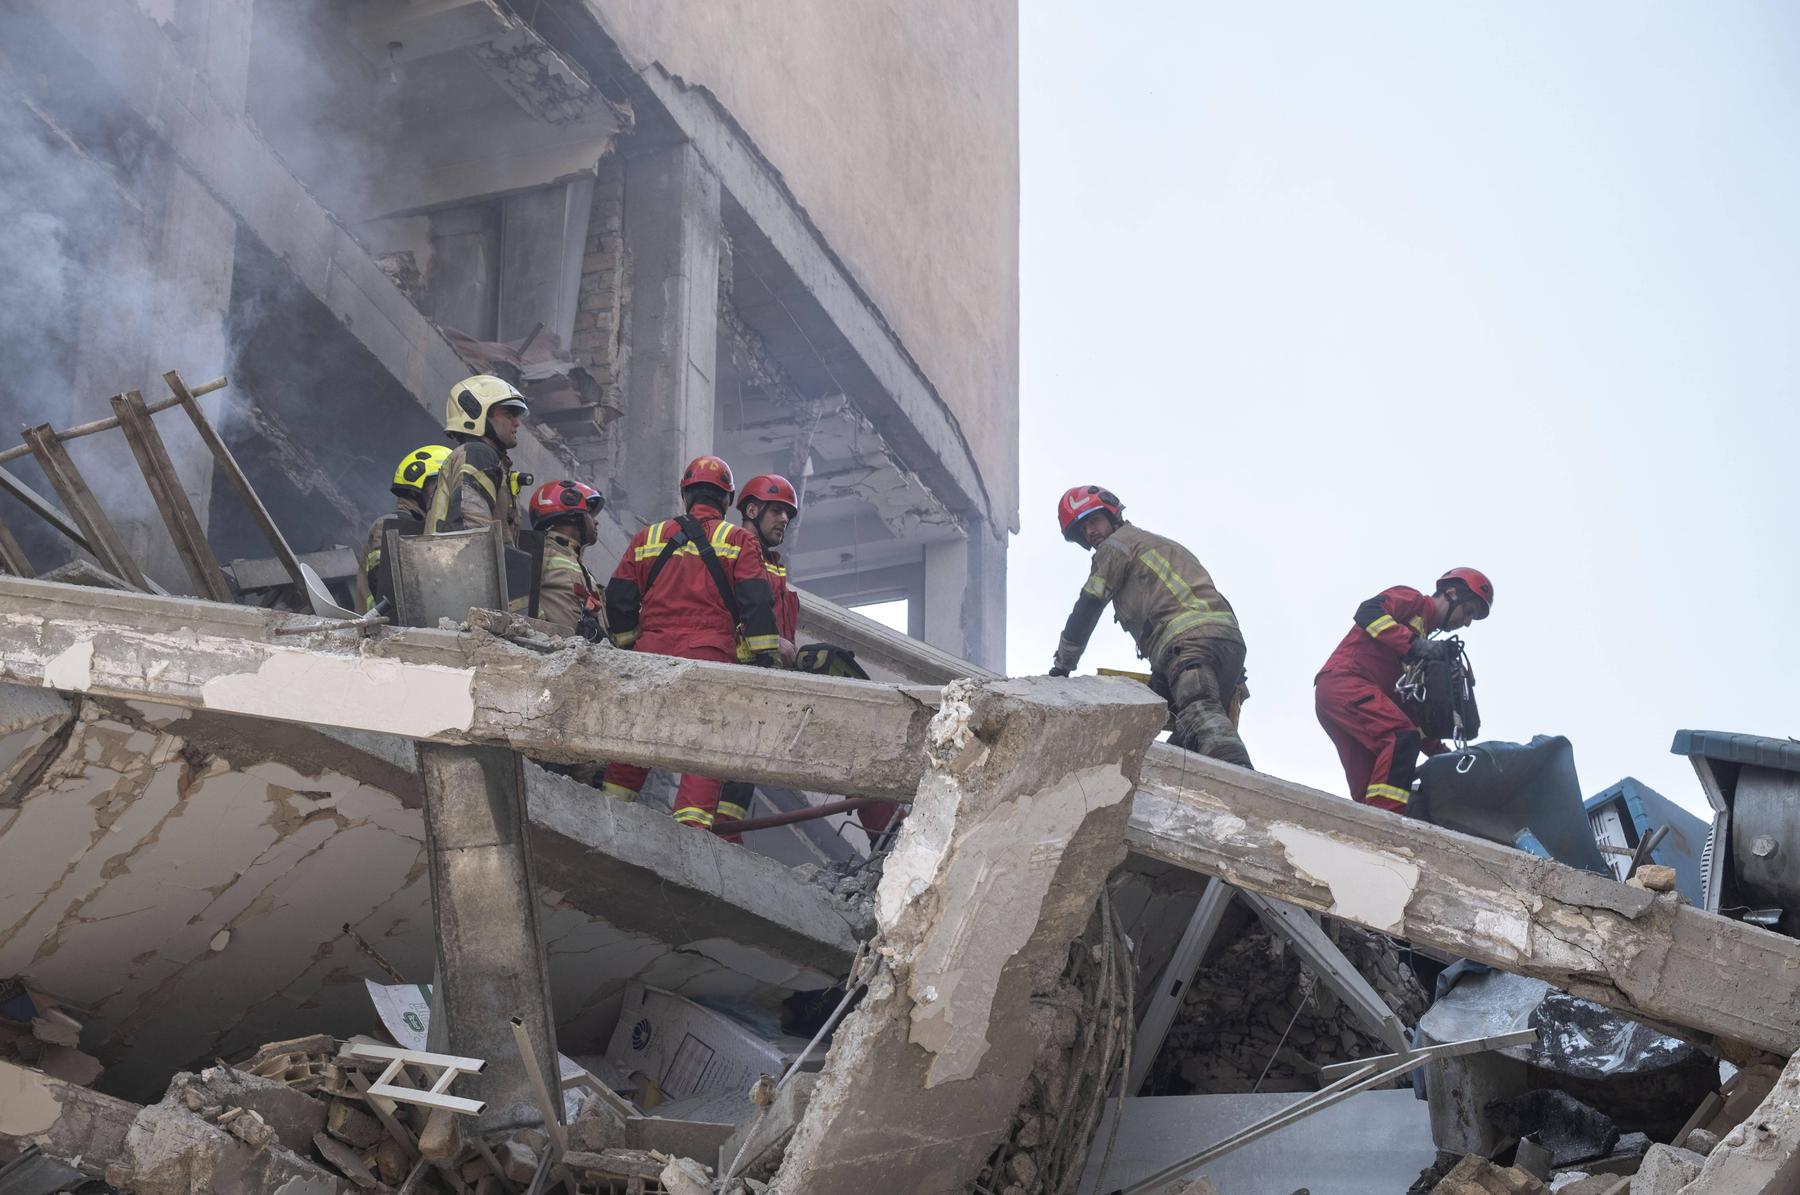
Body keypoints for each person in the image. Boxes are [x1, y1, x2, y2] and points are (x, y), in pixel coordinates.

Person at [600, 455, 782, 829]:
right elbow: (756, 602)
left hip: (649, 660)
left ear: (686, 495)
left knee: (636, 739)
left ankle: (606, 820)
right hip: (710, 661)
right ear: (727, 500)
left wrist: (631, 645)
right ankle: (691, 830)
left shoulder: (647, 537)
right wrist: (763, 657)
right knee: (704, 746)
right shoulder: (738, 539)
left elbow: (618, 597)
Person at [1050, 485, 1252, 768]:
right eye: (1083, 529)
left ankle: (1240, 780)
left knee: (1199, 710)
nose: (1091, 532)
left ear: (1112, 515)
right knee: (1187, 738)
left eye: (1094, 521)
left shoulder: (1115, 547)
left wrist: (1062, 666)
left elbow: (1089, 606)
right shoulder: (1157, 544)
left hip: (1187, 643)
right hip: (1226, 644)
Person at [1314, 568, 1494, 813]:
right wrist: (1414, 645)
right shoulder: (1413, 601)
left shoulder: (1422, 649)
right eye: (1468, 611)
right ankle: (1386, 823)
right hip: (1346, 682)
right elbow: (1368, 612)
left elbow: (1406, 710)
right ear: (1451, 593)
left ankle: (1374, 824)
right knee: (1400, 739)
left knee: (1374, 783)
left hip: (1351, 697)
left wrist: (1444, 756)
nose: (1467, 622)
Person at [715, 473, 803, 834]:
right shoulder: (734, 549)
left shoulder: (773, 563)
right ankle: (722, 834)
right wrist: (770, 644)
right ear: (752, 510)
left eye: (788, 514)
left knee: (746, 768)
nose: (784, 519)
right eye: (777, 511)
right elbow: (721, 609)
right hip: (738, 669)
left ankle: (727, 832)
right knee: (734, 764)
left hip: (767, 672)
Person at [426, 374, 529, 543]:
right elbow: (471, 528)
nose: (516, 423)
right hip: (466, 558)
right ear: (476, 412)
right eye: (508, 414)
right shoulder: (478, 454)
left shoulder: (483, 458)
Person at [356, 444, 449, 611]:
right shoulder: (389, 527)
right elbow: (385, 589)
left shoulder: (428, 529)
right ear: (416, 490)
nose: (446, 494)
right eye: (440, 486)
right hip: (381, 625)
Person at [526, 479, 606, 640]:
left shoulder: (579, 566)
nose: (596, 522)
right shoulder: (541, 555)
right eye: (590, 514)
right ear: (572, 516)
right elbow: (520, 605)